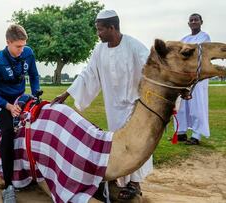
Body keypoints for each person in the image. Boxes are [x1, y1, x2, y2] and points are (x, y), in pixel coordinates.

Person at [51, 10, 153, 200]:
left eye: (100, 30)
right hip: (113, 107)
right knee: (116, 143)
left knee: (135, 144)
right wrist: (65, 94)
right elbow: (88, 74)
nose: (97, 34)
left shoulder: (135, 47)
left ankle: (135, 184)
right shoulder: (100, 50)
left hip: (134, 106)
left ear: (112, 28)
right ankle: (116, 177)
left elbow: (154, 72)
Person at [0, 24, 40, 203]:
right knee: (8, 132)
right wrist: (7, 106)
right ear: (8, 42)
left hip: (21, 97)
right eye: (18, 46)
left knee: (41, 118)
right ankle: (8, 186)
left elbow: (34, 75)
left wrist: (36, 92)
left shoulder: (28, 53)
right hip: (1, 102)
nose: (21, 50)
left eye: (23, 46)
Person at [174, 13, 211, 145]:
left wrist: (186, 52)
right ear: (188, 23)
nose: (194, 22)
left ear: (201, 22)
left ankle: (196, 135)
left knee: (197, 106)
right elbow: (179, 54)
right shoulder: (184, 38)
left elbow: (197, 53)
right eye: (191, 20)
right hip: (184, 77)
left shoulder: (204, 37)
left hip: (198, 77)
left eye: (196, 20)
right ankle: (181, 132)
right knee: (182, 106)